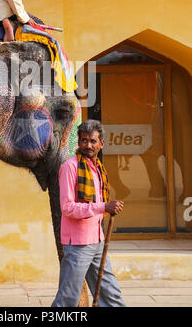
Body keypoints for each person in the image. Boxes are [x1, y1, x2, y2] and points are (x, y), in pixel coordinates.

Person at [52, 119, 126, 307]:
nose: (88, 145)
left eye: (93, 141)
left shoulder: (98, 168)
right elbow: (67, 207)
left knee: (111, 295)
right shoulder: (70, 167)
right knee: (67, 299)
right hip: (77, 244)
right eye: (84, 141)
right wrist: (103, 207)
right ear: (78, 142)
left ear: (101, 144)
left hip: (97, 240)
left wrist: (108, 207)